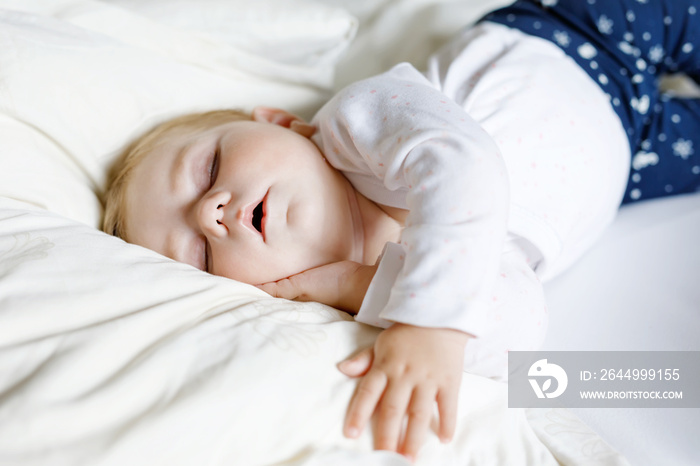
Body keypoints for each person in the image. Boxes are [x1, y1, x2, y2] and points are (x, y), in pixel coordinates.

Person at [101, 0, 700, 461]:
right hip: (637, 153)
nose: (210, 212)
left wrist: (427, 322)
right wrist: (363, 287)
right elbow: (520, 326)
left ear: (284, 124)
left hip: (577, 34)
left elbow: (462, 163)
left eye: (207, 167)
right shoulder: (384, 290)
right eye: (200, 253)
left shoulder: (354, 126)